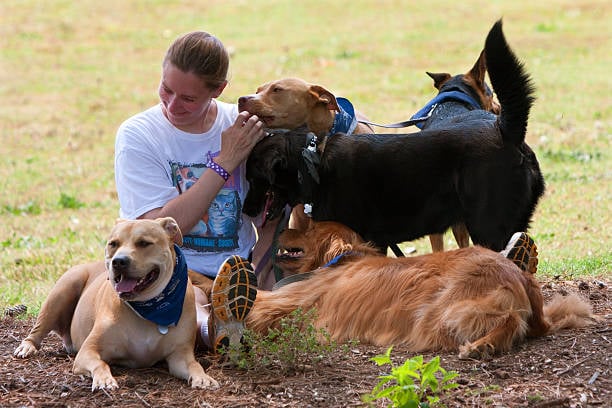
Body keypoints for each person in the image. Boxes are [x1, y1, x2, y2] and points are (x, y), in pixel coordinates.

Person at [114, 31, 271, 352]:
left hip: (239, 270)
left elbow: (266, 215)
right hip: (171, 268)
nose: (172, 105)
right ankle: (216, 334)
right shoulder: (139, 134)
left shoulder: (239, 126)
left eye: (188, 99)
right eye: (166, 89)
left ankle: (235, 320)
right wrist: (223, 164)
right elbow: (160, 228)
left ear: (218, 90)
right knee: (190, 303)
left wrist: (264, 266)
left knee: (282, 303)